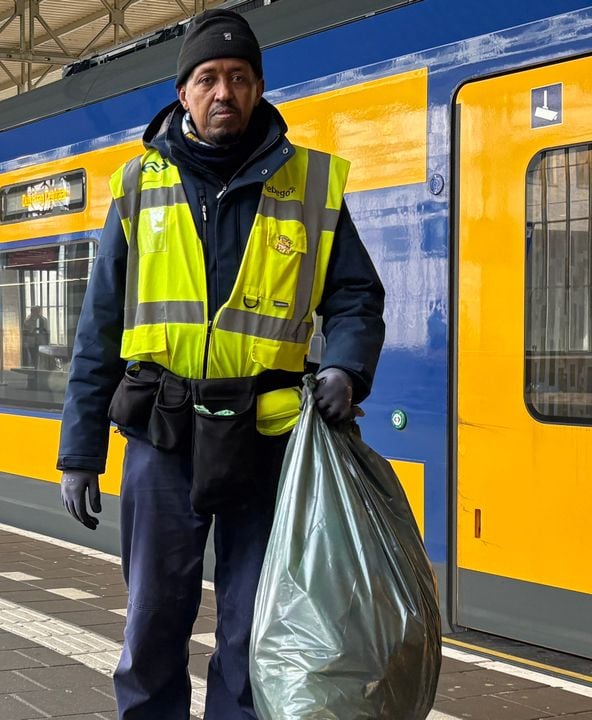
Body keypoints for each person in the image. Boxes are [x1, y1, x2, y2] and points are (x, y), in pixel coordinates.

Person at [56, 10, 385, 720]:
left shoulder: (311, 185)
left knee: (252, 626)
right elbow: (99, 328)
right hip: (161, 435)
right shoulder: (138, 186)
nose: (223, 92)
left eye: (238, 78)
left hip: (266, 440)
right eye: (207, 78)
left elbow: (356, 296)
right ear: (184, 94)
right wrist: (79, 452)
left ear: (261, 87)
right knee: (152, 623)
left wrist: (348, 368)